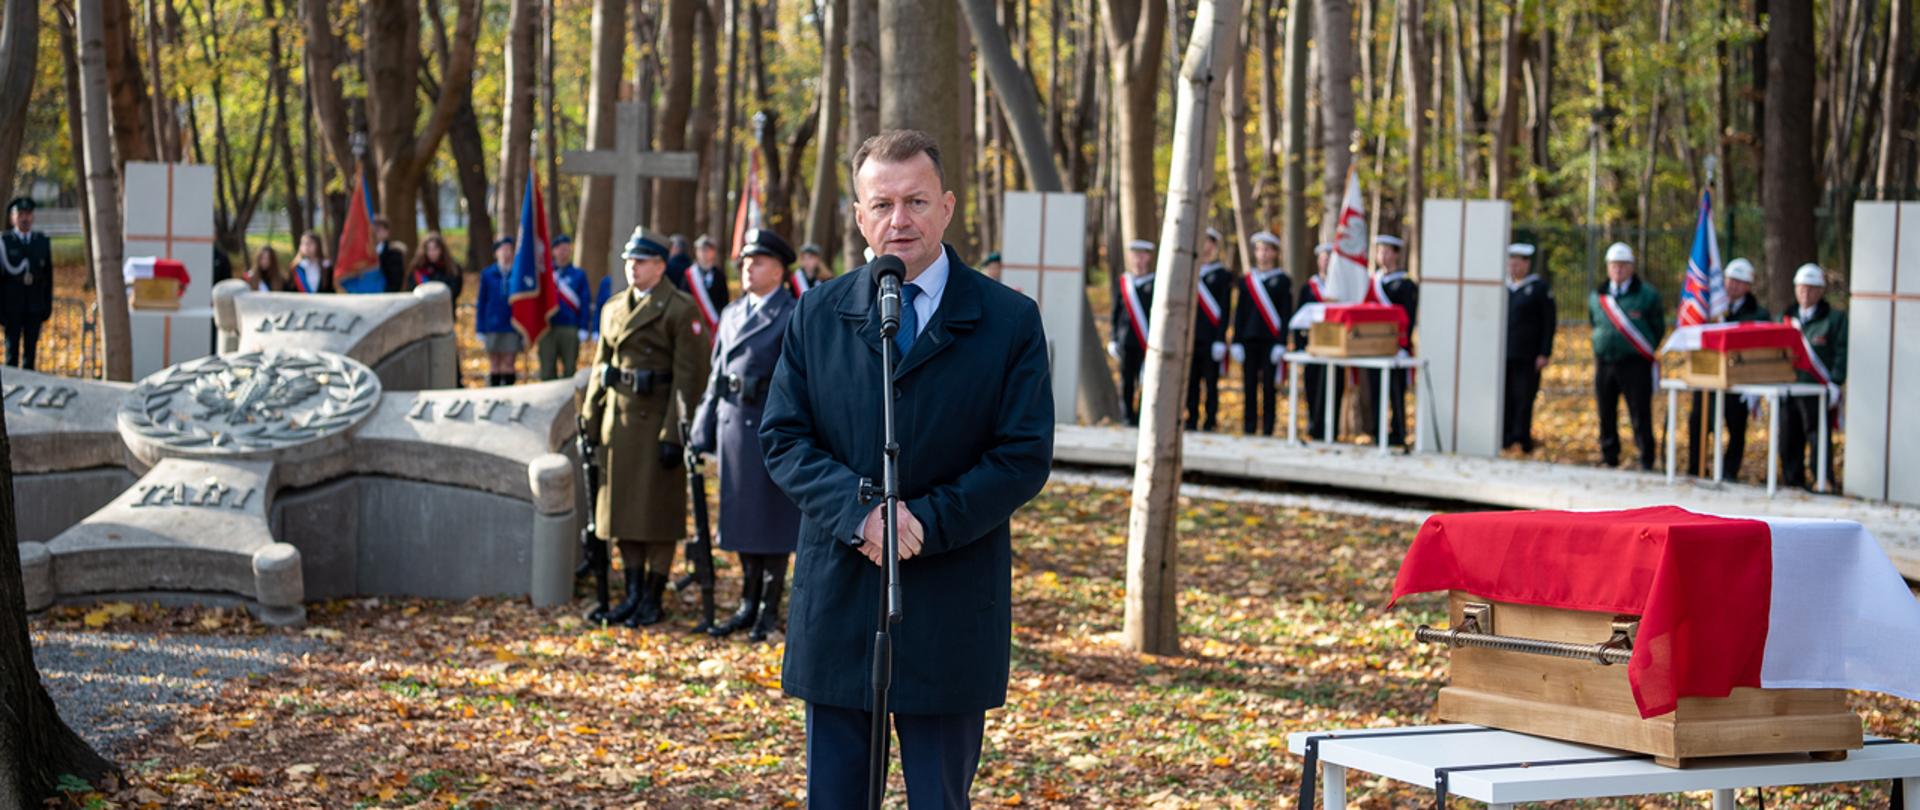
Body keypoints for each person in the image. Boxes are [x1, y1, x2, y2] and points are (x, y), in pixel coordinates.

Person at [760, 129, 1053, 807]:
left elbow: (1022, 455)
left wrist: (925, 520)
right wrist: (859, 512)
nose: (900, 219)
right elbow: (782, 437)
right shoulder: (818, 313)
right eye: (882, 203)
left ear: (947, 207)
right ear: (859, 216)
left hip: (950, 602)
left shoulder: (1008, 321)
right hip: (841, 598)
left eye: (916, 201)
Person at [581, 227, 712, 628]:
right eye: (628, 261)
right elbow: (599, 368)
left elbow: (689, 378)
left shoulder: (680, 308)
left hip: (655, 424)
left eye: (640, 261)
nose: (631, 268)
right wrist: (590, 417)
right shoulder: (614, 307)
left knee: (655, 516)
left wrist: (674, 433)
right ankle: (632, 592)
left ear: (659, 265)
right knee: (621, 513)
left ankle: (653, 595)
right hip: (618, 424)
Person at [689, 227, 803, 642]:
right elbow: (716, 376)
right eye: (745, 262)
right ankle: (746, 602)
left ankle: (768, 612)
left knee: (771, 523)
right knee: (740, 520)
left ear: (779, 270)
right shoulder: (733, 313)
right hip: (733, 427)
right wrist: (702, 431)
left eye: (758, 262)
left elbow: (801, 381)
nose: (748, 268)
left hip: (770, 431)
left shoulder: (793, 314)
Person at [1588, 241, 1664, 470]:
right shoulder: (1598, 295)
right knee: (1606, 410)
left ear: (1631, 267)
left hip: (1634, 362)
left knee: (1639, 411)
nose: (1618, 270)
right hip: (1605, 362)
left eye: (1622, 265)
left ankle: (1645, 457)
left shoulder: (1647, 295)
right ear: (1607, 267)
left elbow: (1657, 327)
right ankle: (1609, 454)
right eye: (1614, 265)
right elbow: (1594, 321)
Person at [1699, 258, 1772, 479]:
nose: (1733, 286)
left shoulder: (1758, 314)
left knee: (1736, 428)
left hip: (1740, 379)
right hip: (1711, 375)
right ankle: (1698, 468)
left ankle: (1729, 471)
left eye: (1739, 282)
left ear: (1748, 286)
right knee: (1703, 423)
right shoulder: (1712, 308)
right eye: (1730, 280)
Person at [1781, 263, 1846, 490]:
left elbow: (1841, 351)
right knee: (1789, 436)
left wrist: (1836, 381)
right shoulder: (1788, 317)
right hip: (1790, 386)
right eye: (1801, 289)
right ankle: (1792, 480)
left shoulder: (1833, 319)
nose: (1805, 294)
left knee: (1817, 436)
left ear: (1820, 291)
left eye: (1810, 289)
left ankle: (1823, 480)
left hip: (1816, 388)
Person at [1231, 231, 1292, 436]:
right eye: (1259, 249)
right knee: (1249, 386)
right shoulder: (1246, 281)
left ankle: (1268, 428)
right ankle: (1248, 427)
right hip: (1249, 340)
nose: (1263, 254)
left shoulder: (1283, 281)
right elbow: (1239, 313)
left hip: (1270, 342)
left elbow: (1285, 313)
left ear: (1274, 253)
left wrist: (1281, 342)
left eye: (1267, 249)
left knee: (1268, 387)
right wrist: (1236, 340)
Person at [1365, 234, 1418, 448]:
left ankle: (1399, 432)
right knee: (1376, 391)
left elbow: (1410, 316)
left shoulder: (1405, 284)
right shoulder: (1373, 283)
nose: (1383, 255)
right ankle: (1379, 433)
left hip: (1396, 346)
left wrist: (1404, 345)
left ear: (1396, 254)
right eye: (1380, 251)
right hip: (1374, 345)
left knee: (1396, 392)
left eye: (1387, 251)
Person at [1502, 243, 1555, 454]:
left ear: (1527, 264)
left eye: (1518, 263)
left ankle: (1521, 438)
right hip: (1504, 355)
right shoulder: (1502, 288)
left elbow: (1548, 322)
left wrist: (1544, 352)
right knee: (1504, 397)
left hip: (1528, 355)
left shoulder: (1539, 288)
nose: (1514, 267)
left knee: (1523, 397)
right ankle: (1505, 437)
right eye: (1511, 263)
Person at [1295, 243, 1344, 439]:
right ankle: (1314, 428)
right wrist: (1300, 347)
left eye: (1329, 258)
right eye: (1323, 258)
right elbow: (1298, 319)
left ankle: (1332, 430)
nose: (1325, 262)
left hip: (1336, 349)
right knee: (1312, 387)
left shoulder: (1341, 289)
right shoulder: (1308, 288)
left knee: (1335, 389)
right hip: (1313, 348)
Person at [1188, 229, 1234, 432]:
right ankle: (1191, 417)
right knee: (1191, 382)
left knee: (1211, 382)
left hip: (1211, 338)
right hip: (1190, 337)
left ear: (1214, 247)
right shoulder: (1188, 272)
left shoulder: (1223, 275)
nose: (1204, 247)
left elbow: (1224, 309)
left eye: (1208, 243)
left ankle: (1210, 419)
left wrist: (1220, 338)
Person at [1, 198, 54, 369]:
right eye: (20, 214)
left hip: (34, 305)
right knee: (11, 352)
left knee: (30, 353)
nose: (25, 218)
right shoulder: (5, 242)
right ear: (12, 218)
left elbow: (48, 277)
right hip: (11, 306)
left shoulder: (41, 242)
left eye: (28, 214)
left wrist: (47, 305)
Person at [1108, 239, 1156, 426]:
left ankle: (1145, 418)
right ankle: (1127, 417)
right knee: (1127, 381)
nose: (1138, 259)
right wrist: (1113, 338)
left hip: (1148, 341)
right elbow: (1115, 313)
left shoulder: (1155, 282)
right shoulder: (1123, 283)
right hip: (1126, 340)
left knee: (1147, 382)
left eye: (1142, 255)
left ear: (1149, 257)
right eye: (1135, 255)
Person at [539, 235, 593, 381]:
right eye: (559, 249)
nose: (563, 252)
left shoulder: (578, 275)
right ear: (553, 251)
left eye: (566, 248)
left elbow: (584, 301)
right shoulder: (545, 274)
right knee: (547, 370)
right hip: (547, 327)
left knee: (570, 370)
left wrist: (583, 327)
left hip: (570, 327)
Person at [477, 237, 521, 386]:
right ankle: (494, 392)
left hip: (512, 325)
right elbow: (482, 302)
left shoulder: (518, 273)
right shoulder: (488, 274)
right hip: (492, 325)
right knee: (494, 362)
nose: (506, 253)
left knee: (509, 362)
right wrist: (480, 328)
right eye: (502, 250)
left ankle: (509, 391)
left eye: (509, 250)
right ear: (496, 253)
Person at [406, 232, 464, 299]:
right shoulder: (417, 268)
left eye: (435, 249)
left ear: (441, 250)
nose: (432, 253)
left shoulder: (452, 268)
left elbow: (455, 291)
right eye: (429, 249)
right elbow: (412, 290)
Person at [374, 216, 407, 293]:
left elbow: (396, 282)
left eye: (378, 230)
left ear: (387, 232)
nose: (375, 233)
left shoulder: (394, 253)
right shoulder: (364, 255)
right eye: (374, 229)